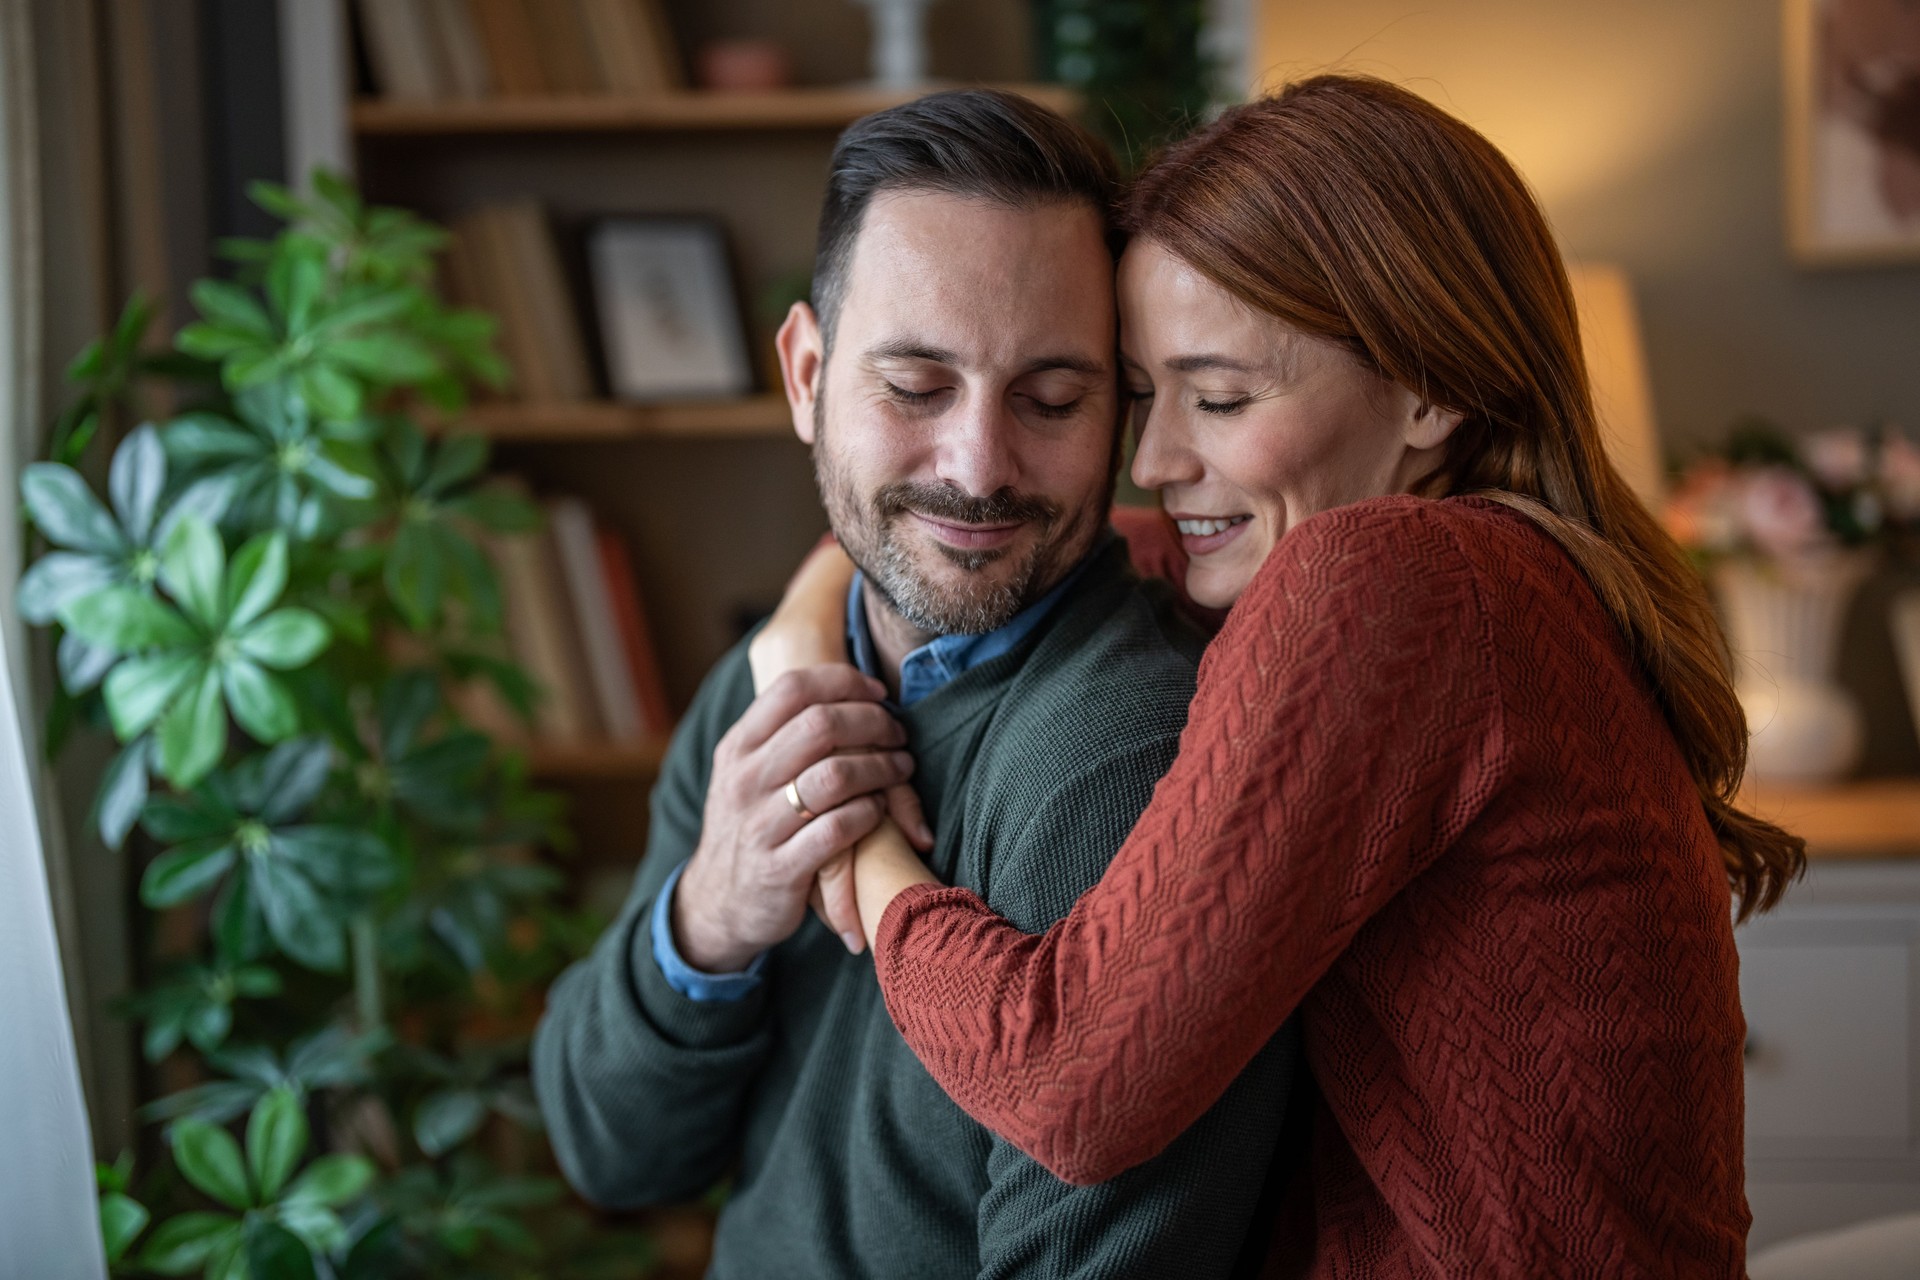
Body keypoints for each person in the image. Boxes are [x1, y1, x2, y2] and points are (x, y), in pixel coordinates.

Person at [749, 75, 1806, 1277]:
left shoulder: (1391, 575)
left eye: (1222, 396)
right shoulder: (1506, 578)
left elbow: (1068, 1079)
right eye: (1143, 396)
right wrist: (795, 646)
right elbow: (971, 531)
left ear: (1430, 391)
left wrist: (851, 836)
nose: (1155, 459)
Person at [531, 89, 1298, 1280]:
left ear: (1120, 413)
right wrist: (711, 918)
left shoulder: (1126, 763)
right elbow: (609, 1150)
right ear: (805, 375)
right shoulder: (775, 686)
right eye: (916, 386)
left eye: (1052, 399)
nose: (979, 467)